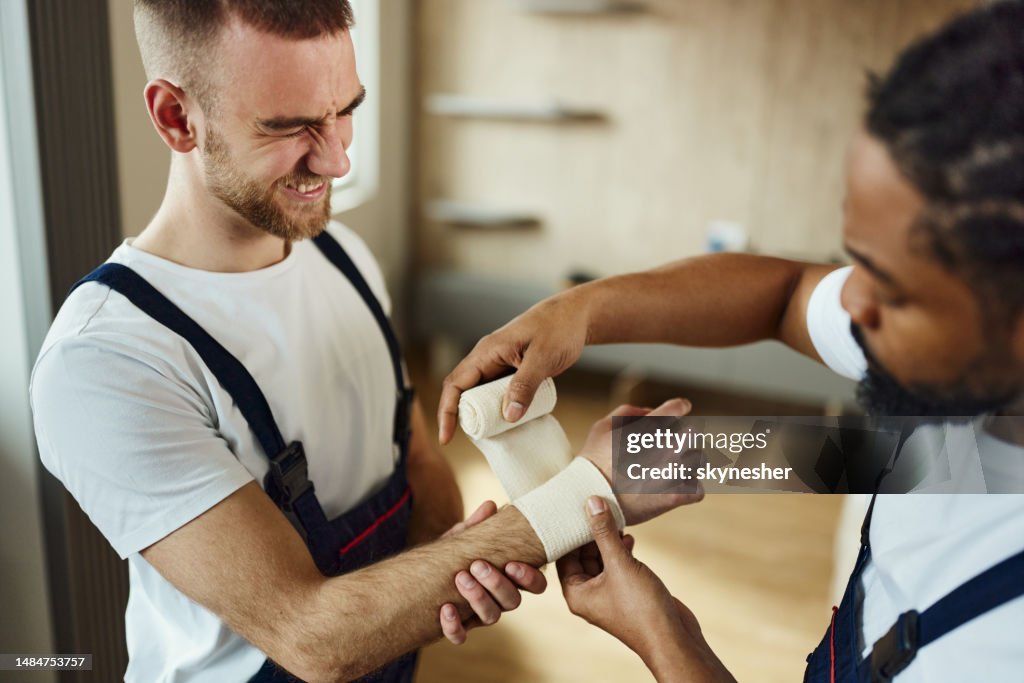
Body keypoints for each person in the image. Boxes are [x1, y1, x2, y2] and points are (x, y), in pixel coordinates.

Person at [28, 2, 696, 681]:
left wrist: (445, 569)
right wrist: (587, 494)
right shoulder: (106, 361)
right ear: (177, 117)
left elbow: (414, 456)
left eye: (345, 110)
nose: (338, 158)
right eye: (288, 126)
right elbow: (311, 637)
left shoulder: (342, 254)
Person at [439, 2, 1024, 681]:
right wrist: (580, 313)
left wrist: (667, 640)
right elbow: (788, 299)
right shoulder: (962, 358)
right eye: (856, 260)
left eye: (891, 288)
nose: (849, 302)